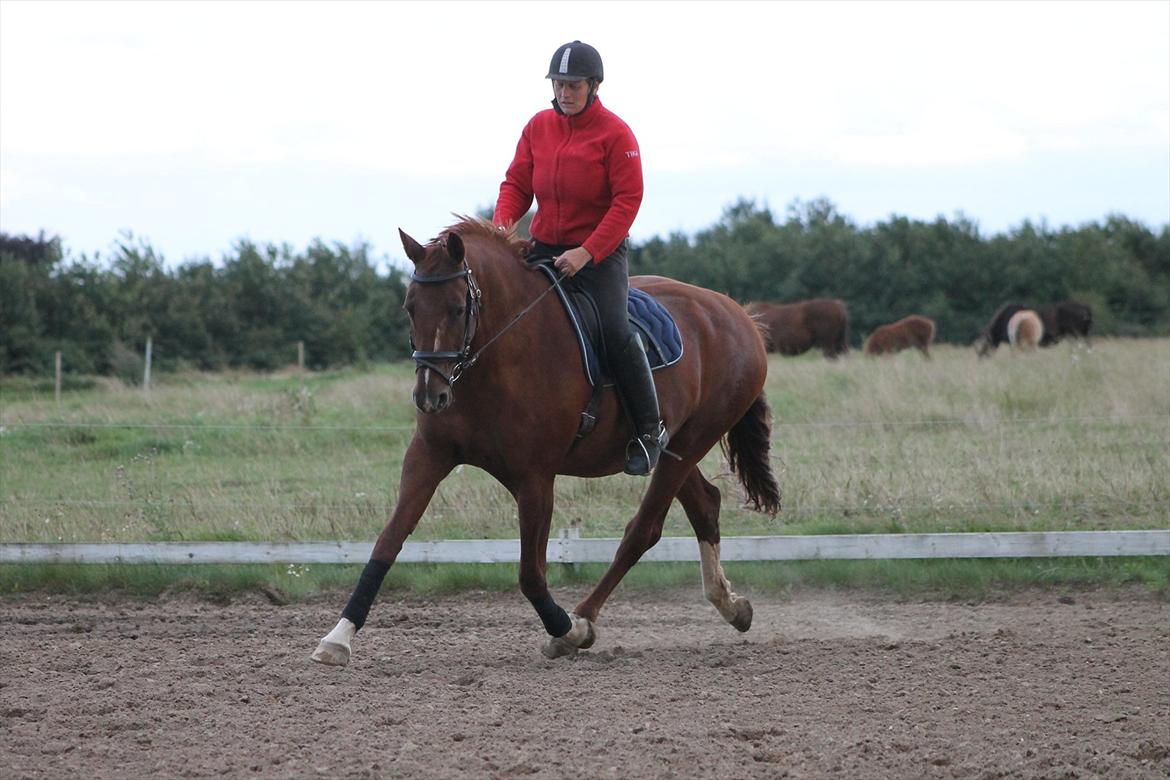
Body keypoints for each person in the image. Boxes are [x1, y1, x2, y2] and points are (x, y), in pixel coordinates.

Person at [493, 40, 668, 476]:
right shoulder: (537, 127)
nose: (565, 91)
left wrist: (587, 252)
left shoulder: (617, 134)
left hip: (600, 256)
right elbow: (516, 183)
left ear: (593, 86)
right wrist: (501, 225)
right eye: (558, 84)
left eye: (573, 85)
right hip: (543, 249)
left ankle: (650, 431)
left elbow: (627, 202)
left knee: (614, 329)